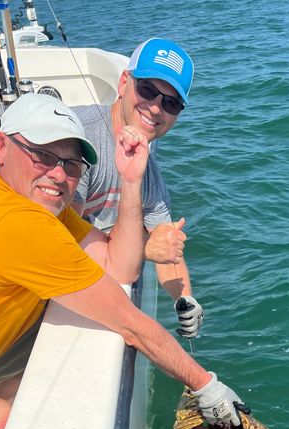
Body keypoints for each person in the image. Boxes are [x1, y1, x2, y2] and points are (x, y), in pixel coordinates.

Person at [0, 93, 244, 429]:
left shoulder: (46, 210)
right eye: (41, 155)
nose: (57, 174)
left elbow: (120, 266)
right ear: (1, 146)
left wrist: (131, 180)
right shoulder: (17, 224)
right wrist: (206, 385)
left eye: (70, 164)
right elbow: (130, 323)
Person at [72, 38, 204, 339]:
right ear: (123, 83)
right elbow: (61, 237)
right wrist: (144, 248)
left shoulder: (147, 160)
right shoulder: (79, 139)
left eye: (171, 103)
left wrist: (184, 299)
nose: (156, 108)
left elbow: (167, 244)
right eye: (147, 90)